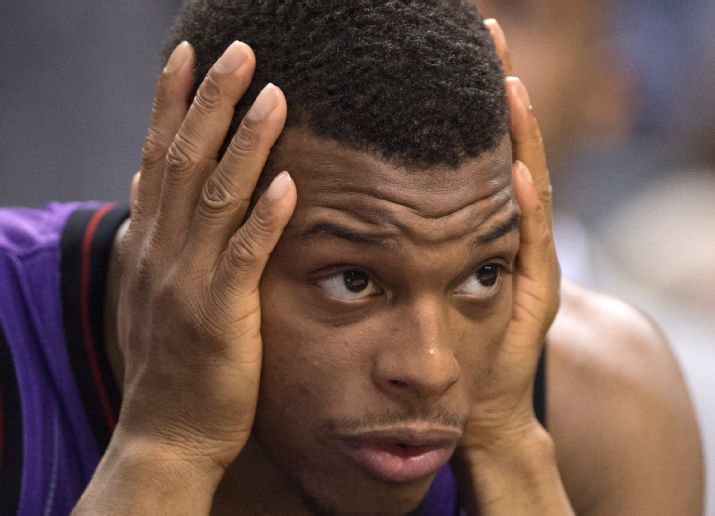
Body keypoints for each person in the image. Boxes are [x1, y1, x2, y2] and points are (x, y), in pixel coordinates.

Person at [0, 1, 702, 514]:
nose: (429, 368)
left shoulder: (605, 404)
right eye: (353, 280)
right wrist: (167, 445)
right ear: (187, 225)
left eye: (481, 275)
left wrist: (508, 448)